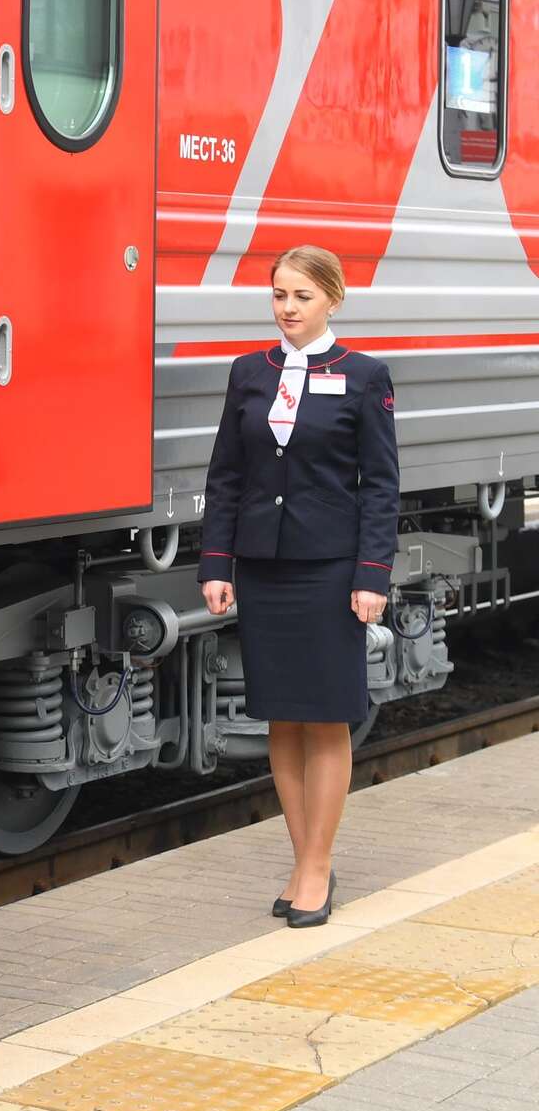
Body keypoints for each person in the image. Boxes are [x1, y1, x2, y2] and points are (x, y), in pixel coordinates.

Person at [197, 244, 399, 929]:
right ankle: (304, 855)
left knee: (326, 713)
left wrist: (373, 574)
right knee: (281, 715)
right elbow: (226, 474)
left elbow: (381, 485)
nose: (287, 308)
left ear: (333, 300)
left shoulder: (366, 377)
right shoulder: (249, 373)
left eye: (302, 296)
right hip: (263, 567)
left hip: (330, 569)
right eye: (279, 294)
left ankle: (316, 865)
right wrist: (216, 563)